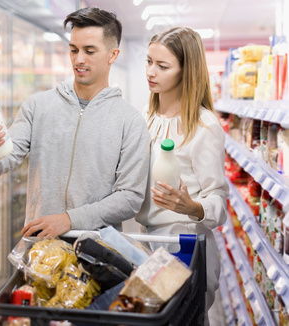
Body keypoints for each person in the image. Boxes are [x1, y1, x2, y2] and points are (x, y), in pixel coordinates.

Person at [0, 6, 150, 238]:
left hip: (98, 255)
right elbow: (3, 162)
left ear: (113, 55)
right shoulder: (37, 106)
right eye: (74, 50)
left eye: (90, 51)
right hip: (40, 250)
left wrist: (69, 220)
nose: (79, 59)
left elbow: (129, 198)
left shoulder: (130, 121)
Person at [134, 27, 229, 325]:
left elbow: (219, 200)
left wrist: (192, 207)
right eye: (149, 61)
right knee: (141, 317)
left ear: (186, 72)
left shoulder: (204, 126)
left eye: (162, 66)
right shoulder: (146, 120)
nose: (151, 72)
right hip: (143, 241)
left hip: (184, 247)